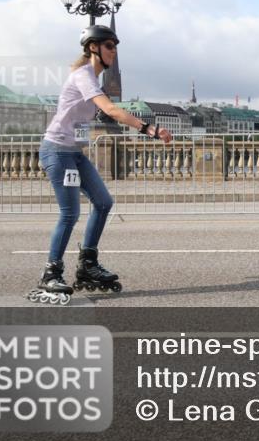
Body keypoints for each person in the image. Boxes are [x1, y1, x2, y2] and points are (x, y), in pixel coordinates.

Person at [27, 24, 173, 305]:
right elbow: (111, 110)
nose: (113, 52)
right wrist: (149, 129)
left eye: (115, 47)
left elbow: (100, 114)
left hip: (75, 154)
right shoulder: (83, 76)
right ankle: (51, 273)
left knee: (104, 202)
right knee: (70, 213)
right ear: (93, 47)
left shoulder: (94, 80)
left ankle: (88, 265)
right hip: (57, 152)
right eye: (109, 46)